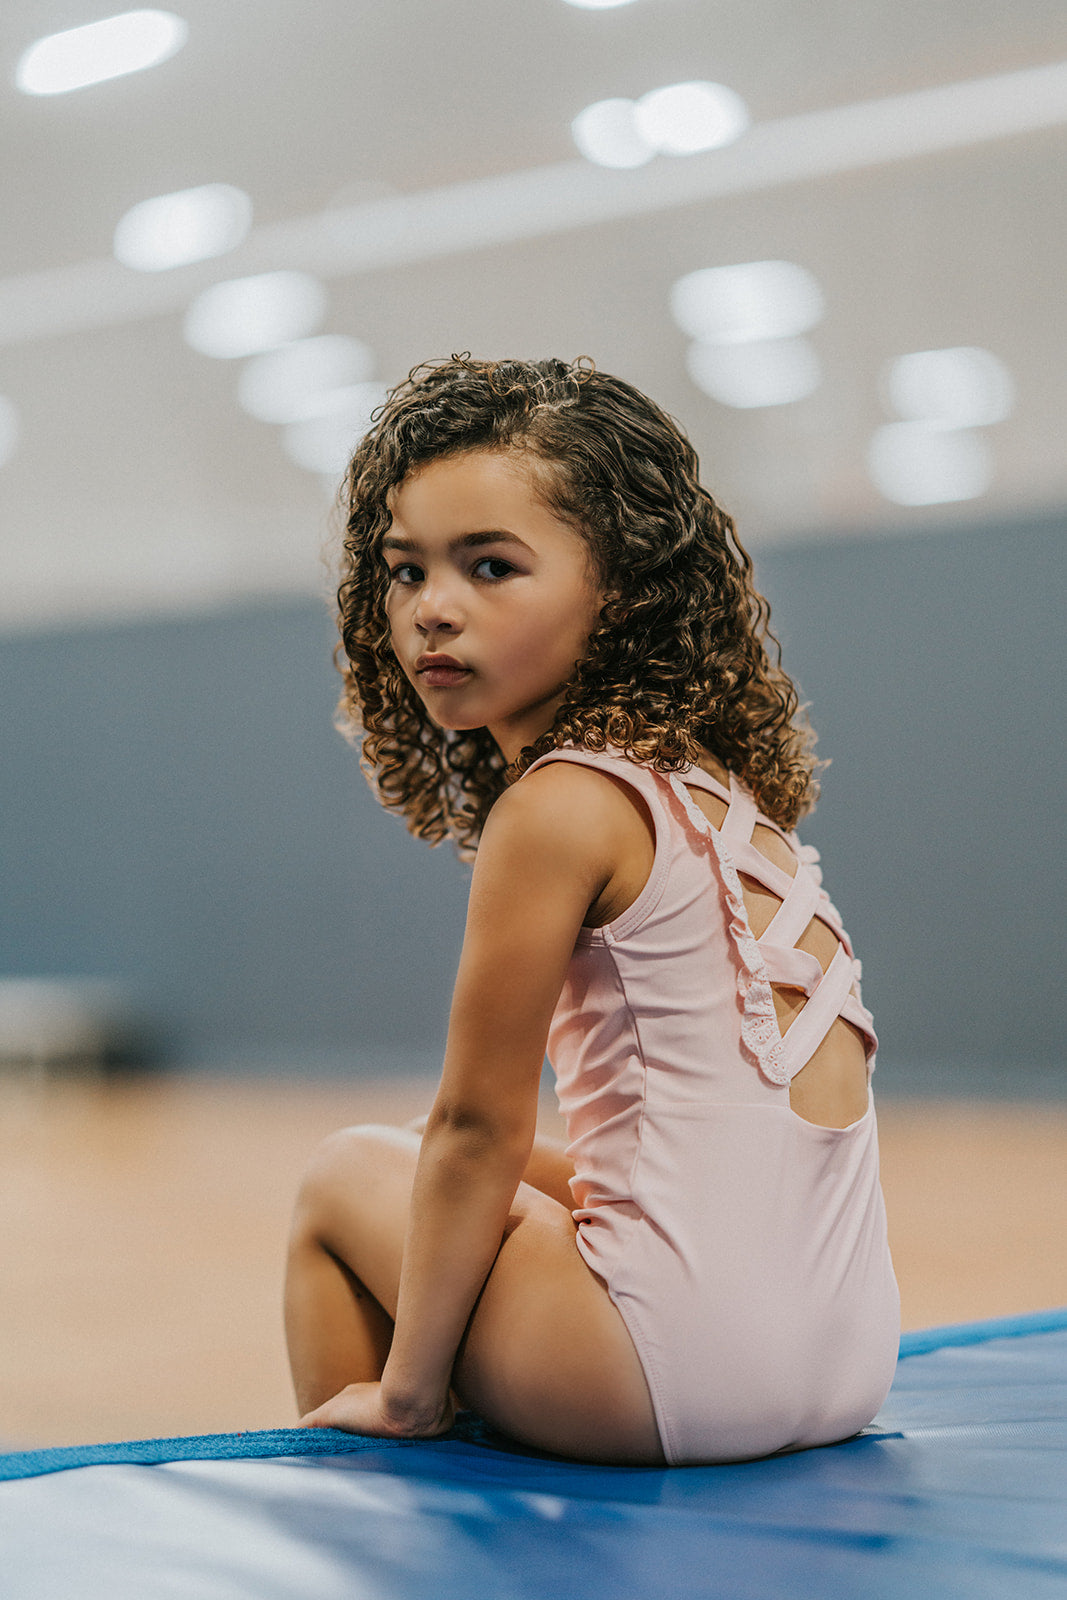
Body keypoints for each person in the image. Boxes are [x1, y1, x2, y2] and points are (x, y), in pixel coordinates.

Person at [284, 355, 899, 1467]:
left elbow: (484, 1124)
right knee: (426, 1160)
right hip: (847, 1360)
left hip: (671, 1379)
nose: (432, 609)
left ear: (616, 587)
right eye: (404, 570)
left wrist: (413, 1388)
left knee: (344, 1176)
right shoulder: (713, 789)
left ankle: (380, 1487)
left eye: (489, 566)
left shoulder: (557, 806)